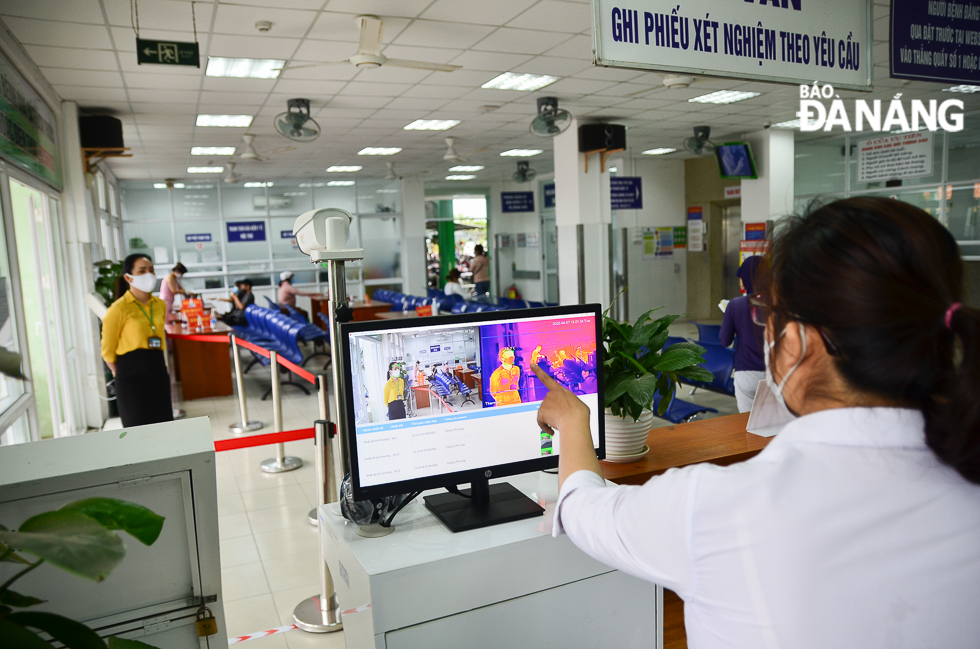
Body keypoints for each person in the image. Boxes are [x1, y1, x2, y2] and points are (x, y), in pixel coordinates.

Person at [533, 197, 980, 649]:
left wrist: (572, 421)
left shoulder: (717, 506)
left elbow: (584, 511)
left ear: (800, 340)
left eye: (771, 316)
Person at [101, 253, 173, 428]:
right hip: (130, 376)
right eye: (142, 271)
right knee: (138, 428)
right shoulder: (118, 309)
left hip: (157, 369)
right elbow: (107, 351)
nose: (148, 275)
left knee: (164, 426)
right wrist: (121, 373)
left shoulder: (159, 304)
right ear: (128, 277)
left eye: (151, 270)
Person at [720, 256, 766, 412]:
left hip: (746, 373)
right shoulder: (781, 303)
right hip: (776, 374)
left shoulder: (735, 305)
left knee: (747, 425)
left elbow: (724, 340)